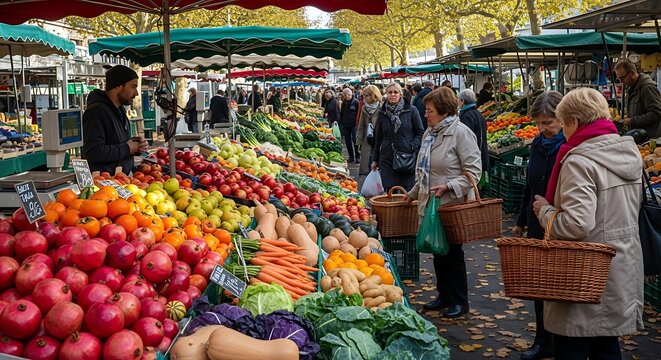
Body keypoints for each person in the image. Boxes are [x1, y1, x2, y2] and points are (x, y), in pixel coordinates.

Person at [532, 88, 644, 359]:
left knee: (572, 345)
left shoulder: (579, 160)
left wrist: (544, 210)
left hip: (583, 270)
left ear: (573, 122)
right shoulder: (628, 153)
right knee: (606, 345)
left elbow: (576, 224)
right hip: (620, 263)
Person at [403, 86, 482, 318]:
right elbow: (425, 172)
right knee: (438, 251)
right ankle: (444, 295)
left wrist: (449, 186)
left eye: (429, 110)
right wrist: (413, 193)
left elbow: (474, 173)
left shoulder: (461, 133)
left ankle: (460, 300)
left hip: (452, 205)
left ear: (444, 111)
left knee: (453, 253)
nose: (425, 114)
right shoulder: (430, 133)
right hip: (431, 203)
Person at [511, 91, 565, 360]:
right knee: (539, 285)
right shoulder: (536, 144)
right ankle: (543, 340)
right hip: (536, 223)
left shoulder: (569, 147)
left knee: (559, 287)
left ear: (563, 119)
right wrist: (521, 220)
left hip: (560, 225)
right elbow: (529, 187)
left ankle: (559, 341)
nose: (543, 129)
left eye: (548, 123)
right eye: (539, 123)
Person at [82, 64, 147, 174]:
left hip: (122, 181)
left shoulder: (120, 110)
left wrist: (135, 146)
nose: (136, 93)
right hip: (105, 183)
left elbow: (115, 142)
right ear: (118, 86)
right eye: (133, 87)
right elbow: (93, 151)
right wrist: (127, 148)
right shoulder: (97, 112)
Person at [371, 82, 425, 191]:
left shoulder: (411, 110)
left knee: (407, 192)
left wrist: (411, 146)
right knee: (390, 192)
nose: (393, 95)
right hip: (387, 158)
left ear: (401, 94)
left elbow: (420, 132)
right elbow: (378, 138)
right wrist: (375, 159)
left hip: (406, 157)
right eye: (390, 92)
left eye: (396, 92)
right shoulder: (382, 113)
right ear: (386, 94)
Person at [614, 59, 661, 138]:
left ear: (632, 73)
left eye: (622, 78)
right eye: (618, 79)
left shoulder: (647, 88)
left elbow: (656, 113)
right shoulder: (632, 88)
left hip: (649, 137)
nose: (621, 81)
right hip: (639, 136)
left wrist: (633, 121)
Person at [457, 89, 490, 177]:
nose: (458, 102)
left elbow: (465, 140)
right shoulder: (478, 113)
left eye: (458, 100)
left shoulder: (467, 116)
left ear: (463, 101)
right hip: (481, 154)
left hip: (473, 157)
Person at [357, 85, 383, 177]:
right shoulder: (364, 108)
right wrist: (359, 141)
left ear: (373, 95)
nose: (364, 98)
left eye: (366, 96)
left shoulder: (382, 107)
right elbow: (361, 125)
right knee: (367, 162)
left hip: (379, 138)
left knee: (378, 162)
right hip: (367, 139)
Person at [340, 88, 360, 163]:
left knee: (355, 140)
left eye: (348, 95)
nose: (347, 96)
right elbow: (342, 113)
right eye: (345, 95)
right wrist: (341, 122)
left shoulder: (356, 102)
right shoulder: (343, 103)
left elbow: (359, 113)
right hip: (346, 125)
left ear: (351, 94)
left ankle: (358, 156)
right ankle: (351, 157)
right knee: (347, 141)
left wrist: (358, 123)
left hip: (354, 125)